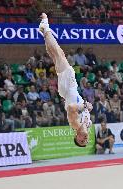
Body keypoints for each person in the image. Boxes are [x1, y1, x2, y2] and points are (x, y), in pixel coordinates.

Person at [39, 13, 93, 147]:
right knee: (56, 55)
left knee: (59, 54)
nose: (84, 139)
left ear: (76, 136)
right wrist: (87, 108)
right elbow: (84, 108)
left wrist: (85, 106)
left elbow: (70, 108)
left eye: (81, 140)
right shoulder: (88, 124)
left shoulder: (75, 124)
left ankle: (45, 26)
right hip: (70, 88)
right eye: (85, 141)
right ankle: (44, 30)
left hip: (68, 88)